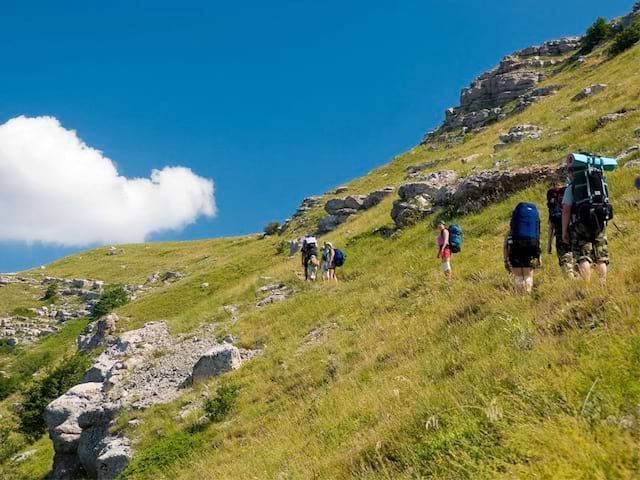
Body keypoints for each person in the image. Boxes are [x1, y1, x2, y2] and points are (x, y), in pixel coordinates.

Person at [561, 156, 609, 285]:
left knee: (583, 256)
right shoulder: (600, 182)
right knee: (601, 256)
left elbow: (566, 210)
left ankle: (586, 286)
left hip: (580, 224)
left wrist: (564, 231)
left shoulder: (573, 187)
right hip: (599, 222)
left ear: (572, 172)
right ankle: (602, 284)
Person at [504, 203, 542, 294]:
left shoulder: (512, 232)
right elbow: (538, 240)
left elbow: (506, 245)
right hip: (531, 248)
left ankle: (520, 298)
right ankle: (527, 296)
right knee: (528, 277)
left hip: (516, 249)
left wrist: (506, 260)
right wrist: (539, 257)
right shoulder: (532, 227)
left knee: (518, 277)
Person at [546, 184, 575, 278]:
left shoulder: (553, 208)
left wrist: (549, 245)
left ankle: (570, 278)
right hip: (573, 233)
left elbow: (551, 228)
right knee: (575, 256)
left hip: (559, 236)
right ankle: (577, 278)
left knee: (564, 259)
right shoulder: (569, 202)